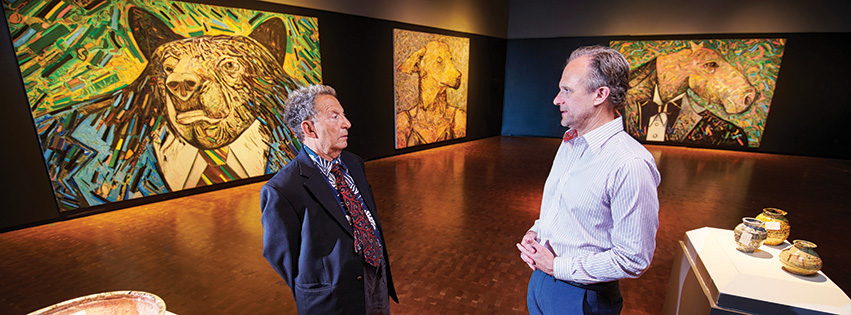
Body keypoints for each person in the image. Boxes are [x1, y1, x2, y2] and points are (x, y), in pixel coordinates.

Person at [516, 46, 661, 314]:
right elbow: (563, 208)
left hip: (581, 298)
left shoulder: (630, 164)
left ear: (600, 94)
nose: (557, 100)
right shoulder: (571, 142)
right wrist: (537, 232)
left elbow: (634, 258)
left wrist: (557, 266)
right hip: (541, 281)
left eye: (567, 90)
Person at [261, 84, 398, 314]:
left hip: (376, 276)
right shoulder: (282, 189)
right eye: (335, 116)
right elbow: (284, 258)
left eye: (343, 115)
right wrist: (321, 289)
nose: (347, 123)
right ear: (309, 128)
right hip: (334, 301)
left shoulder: (354, 163)